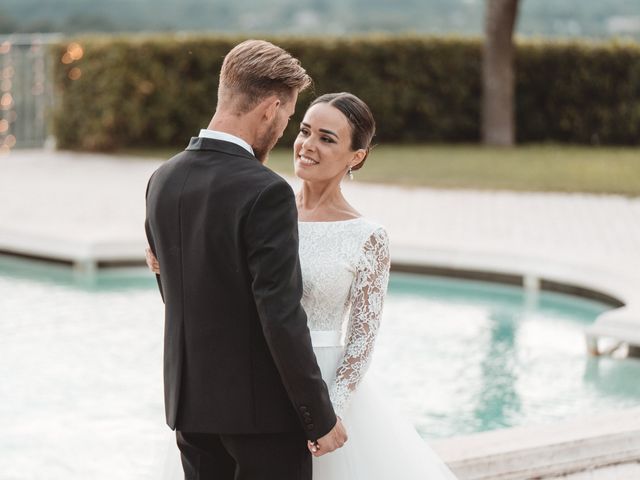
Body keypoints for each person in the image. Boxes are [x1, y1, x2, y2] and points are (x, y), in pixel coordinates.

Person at [148, 91, 459, 479]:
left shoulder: (368, 236)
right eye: (305, 131)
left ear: (356, 157)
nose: (308, 145)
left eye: (327, 139)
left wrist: (328, 410)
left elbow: (362, 342)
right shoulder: (262, 205)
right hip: (245, 384)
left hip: (323, 389)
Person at [144, 40, 347, 480]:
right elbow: (280, 314)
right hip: (262, 421)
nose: (283, 131)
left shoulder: (162, 180)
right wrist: (320, 416)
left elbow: (177, 292)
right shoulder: (266, 191)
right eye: (289, 118)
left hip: (190, 411)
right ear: (271, 108)